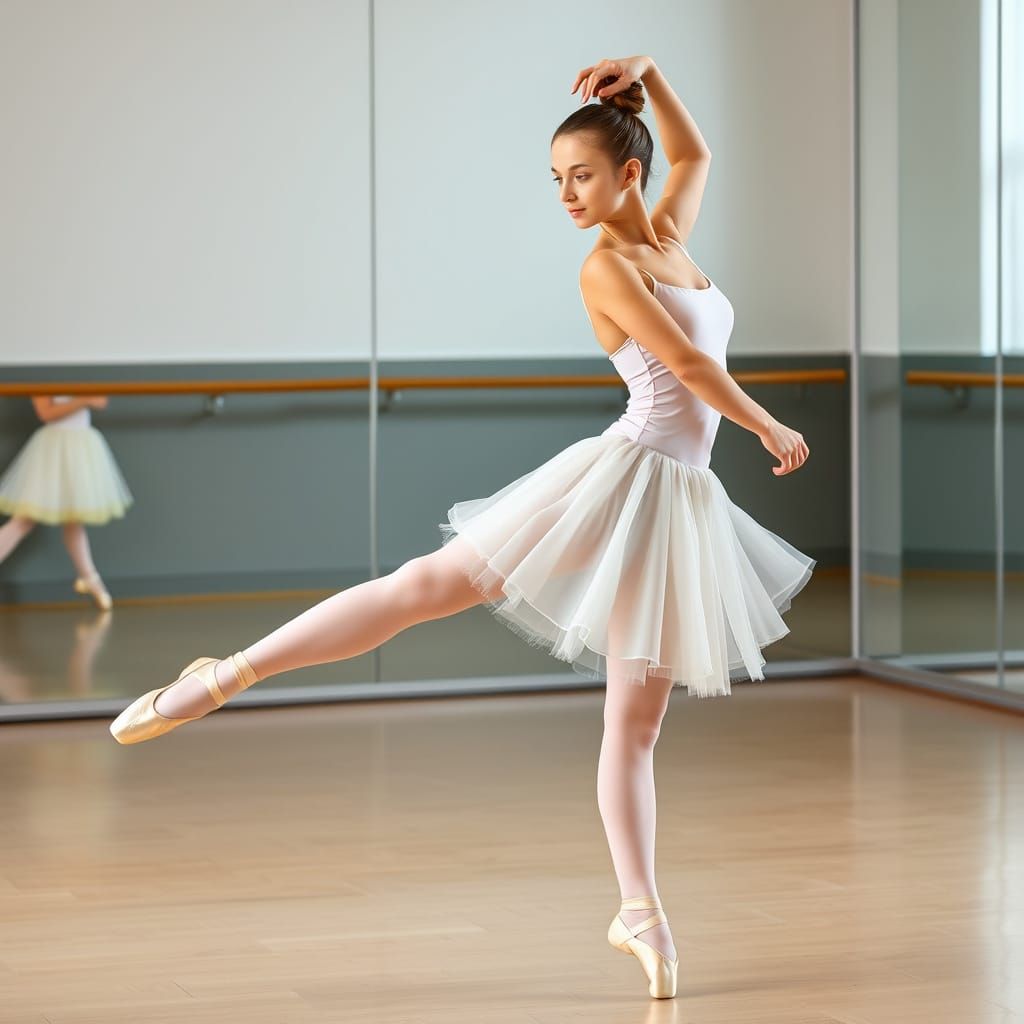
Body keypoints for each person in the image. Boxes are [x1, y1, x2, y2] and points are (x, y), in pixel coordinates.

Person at [109, 55, 815, 999]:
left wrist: (649, 70)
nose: (566, 195)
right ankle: (226, 672)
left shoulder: (674, 239)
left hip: (679, 502)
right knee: (423, 589)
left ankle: (638, 908)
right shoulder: (605, 265)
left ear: (629, 174)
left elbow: (696, 147)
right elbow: (686, 361)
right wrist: (767, 422)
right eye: (556, 181)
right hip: (616, 476)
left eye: (582, 176)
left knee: (634, 721)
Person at [0, 394, 132, 609]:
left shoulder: (80, 369)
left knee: (74, 520)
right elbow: (47, 413)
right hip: (53, 449)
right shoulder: (43, 373)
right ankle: (90, 579)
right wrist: (84, 400)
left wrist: (86, 399)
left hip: (81, 448)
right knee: (24, 520)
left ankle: (90, 579)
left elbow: (101, 400)